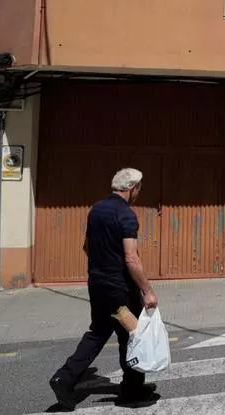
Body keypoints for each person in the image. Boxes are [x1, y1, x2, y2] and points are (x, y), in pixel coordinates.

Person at [49, 168, 159, 409]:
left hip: (97, 284)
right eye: (139, 188)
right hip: (119, 289)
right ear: (132, 188)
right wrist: (147, 290)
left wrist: (102, 267)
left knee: (98, 332)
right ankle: (132, 391)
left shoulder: (96, 209)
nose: (139, 193)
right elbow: (131, 258)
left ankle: (63, 379)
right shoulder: (126, 215)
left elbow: (86, 247)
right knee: (131, 335)